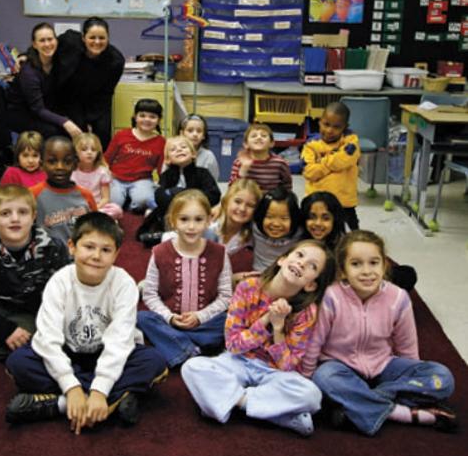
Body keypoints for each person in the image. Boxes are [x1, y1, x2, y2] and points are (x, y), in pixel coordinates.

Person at [4, 212, 168, 433]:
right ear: (72, 246)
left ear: (116, 254)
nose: (96, 256)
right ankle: (111, 400)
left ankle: (63, 404)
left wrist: (99, 390)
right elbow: (48, 339)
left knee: (153, 361)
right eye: (88, 247)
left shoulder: (124, 284)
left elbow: (120, 342)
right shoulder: (59, 281)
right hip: (68, 352)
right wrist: (71, 387)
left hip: (109, 354)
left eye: (106, 250)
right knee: (18, 362)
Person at [301, 230, 457, 436]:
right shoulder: (332, 296)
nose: (366, 271)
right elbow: (315, 342)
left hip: (384, 368)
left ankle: (359, 405)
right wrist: (305, 380)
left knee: (443, 377)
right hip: (340, 367)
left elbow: (407, 347)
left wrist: (410, 375)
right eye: (356, 264)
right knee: (324, 378)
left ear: (384, 265)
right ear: (343, 270)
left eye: (373, 263)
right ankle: (402, 412)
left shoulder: (398, 298)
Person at [181, 240, 336, 436]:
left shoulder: (307, 313)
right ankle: (276, 414)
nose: (302, 263)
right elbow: (233, 345)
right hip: (239, 360)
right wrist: (265, 321)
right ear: (282, 259)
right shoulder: (248, 287)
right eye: (300, 255)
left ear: (311, 285)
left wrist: (278, 328)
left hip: (274, 372)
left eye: (312, 266)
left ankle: (233, 401)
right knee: (193, 367)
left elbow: (287, 365)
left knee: (311, 396)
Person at [0, 185, 70, 361]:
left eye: (22, 212)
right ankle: (0, 345)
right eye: (5, 213)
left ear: (34, 216)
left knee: (43, 339)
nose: (15, 219)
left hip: (32, 310)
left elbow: (66, 290)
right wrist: (4, 329)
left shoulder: (54, 246)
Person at [138, 190, 232, 368]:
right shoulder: (159, 252)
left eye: (198, 219)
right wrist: (170, 318)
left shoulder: (219, 252)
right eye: (184, 219)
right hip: (171, 323)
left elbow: (226, 296)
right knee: (142, 318)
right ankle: (193, 349)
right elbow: (150, 294)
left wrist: (200, 316)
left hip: (206, 322)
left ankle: (179, 346)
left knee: (230, 319)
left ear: (209, 221)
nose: (191, 227)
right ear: (173, 221)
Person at [53, 17, 125, 148]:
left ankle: (100, 167)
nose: (97, 42)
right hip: (67, 97)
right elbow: (45, 47)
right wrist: (25, 56)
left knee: (102, 135)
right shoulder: (69, 41)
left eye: (102, 38)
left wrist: (92, 120)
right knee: (78, 134)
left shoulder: (116, 61)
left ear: (108, 38)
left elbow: (106, 94)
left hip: (97, 101)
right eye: (92, 37)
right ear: (83, 38)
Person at [137, 136, 221, 245]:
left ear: (193, 154)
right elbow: (159, 195)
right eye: (173, 149)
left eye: (183, 147)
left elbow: (214, 194)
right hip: (172, 214)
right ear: (167, 159)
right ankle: (168, 235)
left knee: (211, 228)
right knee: (156, 213)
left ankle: (163, 237)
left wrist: (189, 197)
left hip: (197, 213)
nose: (179, 150)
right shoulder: (166, 176)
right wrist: (171, 195)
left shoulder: (203, 173)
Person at [6, 23, 82, 139]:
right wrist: (65, 122)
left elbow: (75, 38)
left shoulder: (58, 61)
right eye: (42, 41)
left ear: (56, 41)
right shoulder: (28, 72)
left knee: (77, 125)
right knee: (55, 132)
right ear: (35, 45)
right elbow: (38, 109)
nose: (47, 44)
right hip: (22, 114)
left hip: (42, 111)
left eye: (50, 39)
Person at [301, 101, 361, 231]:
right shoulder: (311, 144)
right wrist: (333, 162)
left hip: (344, 200)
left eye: (336, 127)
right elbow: (309, 172)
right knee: (312, 232)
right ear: (320, 121)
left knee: (352, 236)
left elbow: (346, 159)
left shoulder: (351, 141)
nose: (329, 130)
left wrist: (322, 163)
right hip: (316, 199)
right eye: (326, 124)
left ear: (345, 127)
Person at [30, 136, 97, 247]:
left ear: (75, 164)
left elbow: (96, 229)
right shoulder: (32, 195)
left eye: (67, 162)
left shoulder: (86, 196)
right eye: (52, 161)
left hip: (80, 258)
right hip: (47, 259)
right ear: (42, 165)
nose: (60, 167)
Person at [105, 99, 166, 213]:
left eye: (152, 117)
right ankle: (122, 201)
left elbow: (161, 168)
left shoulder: (161, 142)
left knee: (144, 200)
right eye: (142, 115)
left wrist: (161, 185)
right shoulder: (121, 135)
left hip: (142, 179)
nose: (147, 119)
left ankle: (130, 205)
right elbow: (106, 159)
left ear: (159, 120)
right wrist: (106, 174)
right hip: (116, 178)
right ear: (135, 117)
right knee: (112, 202)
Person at [228, 123, 292, 193]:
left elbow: (287, 187)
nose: (259, 137)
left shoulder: (280, 163)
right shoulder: (239, 162)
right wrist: (244, 168)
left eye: (264, 136)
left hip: (271, 201)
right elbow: (232, 188)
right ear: (246, 144)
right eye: (254, 136)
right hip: (247, 201)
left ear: (271, 143)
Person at [71, 133, 122, 220]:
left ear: (98, 152)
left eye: (93, 150)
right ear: (75, 152)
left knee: (116, 210)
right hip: (76, 207)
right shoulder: (71, 171)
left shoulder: (102, 172)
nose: (89, 152)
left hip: (97, 206)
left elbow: (106, 198)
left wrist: (94, 208)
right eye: (84, 149)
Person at [251, 186, 303, 272]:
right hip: (258, 275)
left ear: (294, 219)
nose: (276, 224)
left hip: (286, 277)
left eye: (284, 218)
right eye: (269, 216)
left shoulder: (300, 233)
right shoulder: (254, 228)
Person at [178, 113, 220, 182]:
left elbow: (213, 182)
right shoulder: (174, 153)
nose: (195, 134)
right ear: (182, 133)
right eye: (190, 130)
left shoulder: (209, 156)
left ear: (204, 135)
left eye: (199, 131)